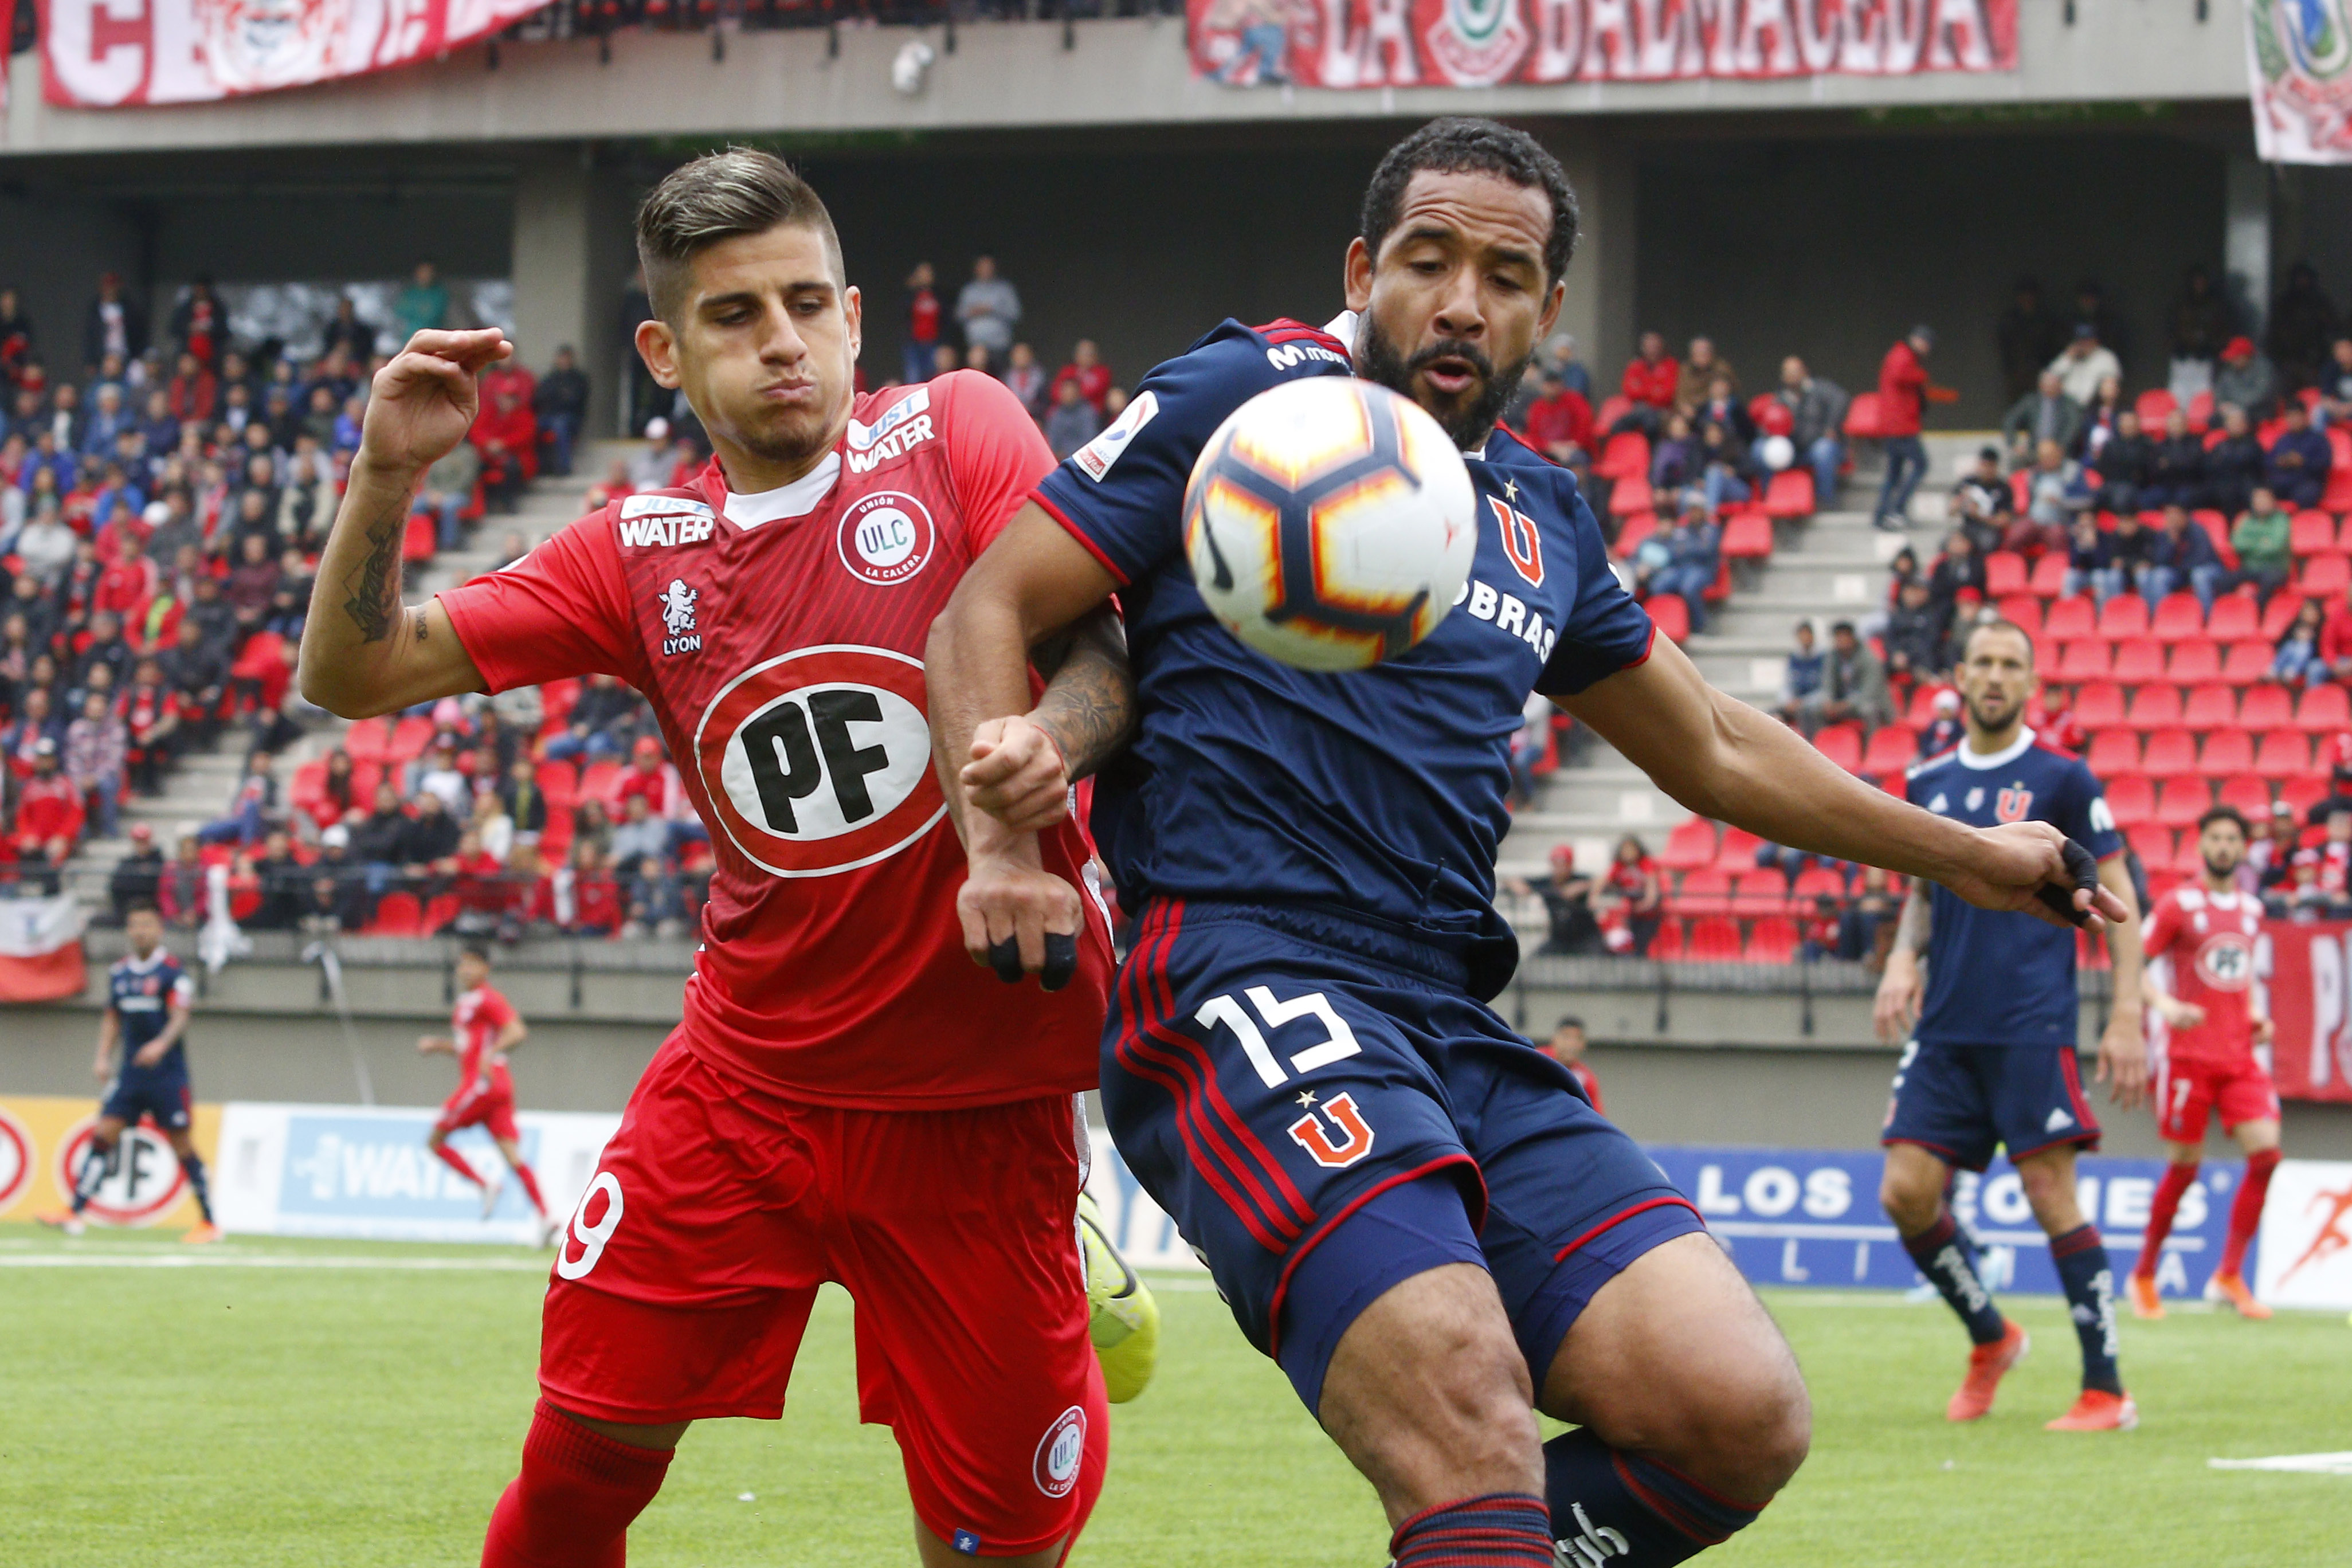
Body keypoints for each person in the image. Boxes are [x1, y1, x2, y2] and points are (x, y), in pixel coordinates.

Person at [928, 116, 2124, 1567]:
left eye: (1505, 274)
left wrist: (1969, 850)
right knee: (1468, 1420)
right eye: (1425, 262)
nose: (1460, 302)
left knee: (1734, 1411)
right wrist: (999, 844)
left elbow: (1718, 745)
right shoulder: (1245, 398)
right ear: (1364, 270)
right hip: (1242, 971)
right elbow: (989, 604)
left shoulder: (1542, 516)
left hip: (1447, 1013)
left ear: (1549, 310)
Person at [297, 148, 1150, 1568]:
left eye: (808, 304)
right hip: (738, 1096)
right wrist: (385, 469)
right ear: (666, 350)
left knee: (999, 1542)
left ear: (857, 317)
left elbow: (1108, 648)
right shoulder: (636, 550)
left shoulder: (957, 433)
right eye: (736, 315)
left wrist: (1049, 744)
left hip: (977, 1108)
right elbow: (356, 669)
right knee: (572, 1466)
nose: (782, 342)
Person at [1873, 619, 2145, 1433]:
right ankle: (1992, 1337)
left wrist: (2126, 1011)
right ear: (1959, 675)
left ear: (2032, 683)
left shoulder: (2063, 778)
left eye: (2011, 664)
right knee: (1905, 1194)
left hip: (2031, 1024)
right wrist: (1900, 959)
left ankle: (2106, 1390)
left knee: (2049, 1193)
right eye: (1982, 661)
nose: (1995, 676)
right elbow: (1922, 889)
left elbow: (2123, 898)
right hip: (1947, 1028)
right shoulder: (1928, 779)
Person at [2130, 807, 2283, 1322]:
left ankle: (2228, 1276)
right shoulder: (2178, 905)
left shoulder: (2252, 910)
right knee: (2185, 1167)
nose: (2223, 847)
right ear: (2201, 845)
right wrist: (2168, 1007)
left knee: (2266, 1156)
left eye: (2232, 839)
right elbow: (2133, 963)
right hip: (2188, 1055)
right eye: (2215, 838)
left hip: (2239, 1054)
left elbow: (2242, 979)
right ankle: (2145, 1275)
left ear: (2243, 849)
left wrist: (2258, 1016)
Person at [37, 903, 221, 1243]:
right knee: (104, 1134)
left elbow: (181, 1015)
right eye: (135, 925)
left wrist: (160, 1045)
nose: (141, 931)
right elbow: (112, 1018)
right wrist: (102, 1057)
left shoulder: (172, 971)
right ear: (128, 931)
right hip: (130, 1075)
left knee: (181, 1144)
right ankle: (74, 1213)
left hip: (167, 1075)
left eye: (147, 925)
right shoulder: (119, 973)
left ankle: (210, 1223)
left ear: (160, 929)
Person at [419, 942, 557, 1240]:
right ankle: (546, 1217)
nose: (465, 970)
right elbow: (468, 1047)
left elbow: (517, 1031)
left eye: (472, 964)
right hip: (497, 1086)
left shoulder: (488, 999)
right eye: (462, 963)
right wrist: (440, 1046)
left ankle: (485, 1185)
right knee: (512, 1155)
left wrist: (490, 1053)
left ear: (486, 968)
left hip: (482, 1085)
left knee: (435, 1140)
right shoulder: (467, 1002)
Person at [1874, 324, 1953, 530]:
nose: (1927, 349)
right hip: (1901, 426)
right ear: (1918, 340)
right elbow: (1901, 375)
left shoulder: (1902, 354)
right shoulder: (1903, 355)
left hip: (1895, 425)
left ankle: (1882, 514)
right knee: (1921, 465)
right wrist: (1922, 377)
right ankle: (1897, 509)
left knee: (1894, 474)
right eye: (1926, 344)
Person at [1774, 355, 1848, 507]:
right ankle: (1773, 501)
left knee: (1824, 450)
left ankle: (1826, 501)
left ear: (1805, 371)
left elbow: (1841, 398)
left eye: (1796, 371)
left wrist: (1831, 426)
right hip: (1793, 449)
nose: (1792, 375)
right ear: (1783, 377)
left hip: (1819, 445)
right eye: (1788, 372)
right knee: (1762, 450)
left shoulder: (1820, 388)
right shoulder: (1781, 399)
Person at [1997, 277, 2067, 402]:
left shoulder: (2046, 320)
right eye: (2024, 296)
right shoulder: (2010, 320)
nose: (2027, 300)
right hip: (2017, 375)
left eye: (2030, 296)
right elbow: (2004, 347)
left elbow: (2053, 346)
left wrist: (2047, 370)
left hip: (2040, 374)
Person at [2226, 485, 2294, 606]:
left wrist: (2250, 545)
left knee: (2269, 581)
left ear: (2273, 501)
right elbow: (2237, 544)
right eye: (2257, 500)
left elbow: (2275, 546)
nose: (2261, 503)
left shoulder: (2281, 519)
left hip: (2275, 568)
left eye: (2264, 500)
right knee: (2225, 581)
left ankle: (2257, 611)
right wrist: (2262, 543)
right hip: (2250, 567)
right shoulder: (2247, 519)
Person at [534, 346, 590, 477]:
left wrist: (556, 397)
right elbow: (540, 397)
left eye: (567, 358)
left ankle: (564, 467)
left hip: (571, 418)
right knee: (532, 425)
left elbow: (574, 401)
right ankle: (539, 466)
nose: (564, 361)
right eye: (561, 358)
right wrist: (559, 396)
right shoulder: (551, 377)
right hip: (549, 416)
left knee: (560, 425)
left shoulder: (579, 379)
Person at [2264, 400, 2331, 508]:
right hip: (2283, 481)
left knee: (2307, 495)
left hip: (2308, 481)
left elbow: (2325, 463)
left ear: (2305, 417)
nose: (2293, 420)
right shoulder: (2282, 440)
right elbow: (2269, 461)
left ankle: (2305, 524)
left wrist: (2303, 462)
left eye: (2296, 416)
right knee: (2262, 492)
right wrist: (2280, 461)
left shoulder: (2318, 439)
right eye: (2289, 417)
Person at [955, 255, 1022, 359]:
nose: (986, 270)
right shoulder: (969, 290)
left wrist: (993, 309)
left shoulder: (1005, 289)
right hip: (975, 345)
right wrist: (973, 311)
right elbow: (958, 315)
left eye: (989, 267)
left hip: (1000, 345)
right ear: (976, 269)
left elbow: (1016, 314)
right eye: (983, 267)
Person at [1542, 1016, 1603, 1112]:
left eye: (1577, 1038)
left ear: (1583, 1044)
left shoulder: (1586, 1079)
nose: (1571, 1044)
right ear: (1555, 1039)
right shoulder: (1538, 1061)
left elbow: (1597, 1117)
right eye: (1566, 1037)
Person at [2214, 335, 2282, 422]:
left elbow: (2261, 395)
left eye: (2236, 357)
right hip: (2232, 410)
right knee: (2214, 420)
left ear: (2245, 356)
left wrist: (2238, 407)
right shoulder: (2229, 370)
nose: (2232, 361)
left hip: (2258, 411)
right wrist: (2223, 406)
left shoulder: (2263, 368)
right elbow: (2219, 393)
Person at [1775, 619, 1823, 723]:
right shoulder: (1793, 659)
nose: (1804, 638)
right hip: (1794, 703)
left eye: (1807, 634)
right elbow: (1787, 684)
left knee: (1809, 714)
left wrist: (1803, 703)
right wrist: (1788, 701)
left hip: (1812, 705)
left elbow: (1825, 690)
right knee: (1773, 714)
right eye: (1802, 635)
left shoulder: (1823, 658)